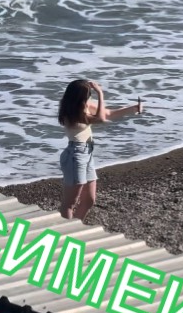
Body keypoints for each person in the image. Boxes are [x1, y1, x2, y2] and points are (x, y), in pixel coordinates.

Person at [57, 79, 143, 220]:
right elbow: (101, 118)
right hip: (75, 155)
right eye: (88, 95)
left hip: (87, 153)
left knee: (89, 200)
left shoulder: (83, 106)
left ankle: (76, 225)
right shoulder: (72, 113)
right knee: (70, 203)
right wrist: (100, 93)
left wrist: (132, 108)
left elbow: (107, 113)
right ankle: (63, 230)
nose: (90, 97)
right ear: (79, 97)